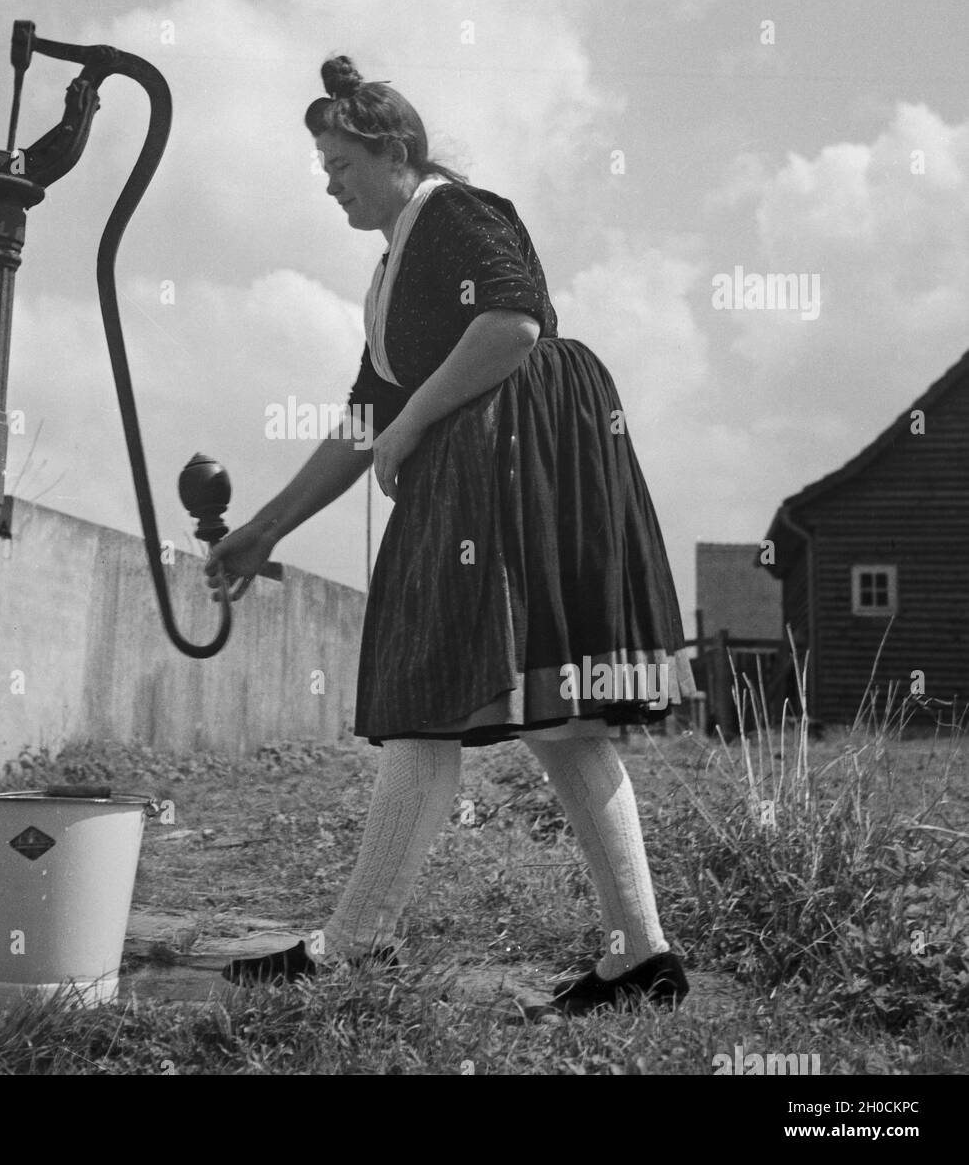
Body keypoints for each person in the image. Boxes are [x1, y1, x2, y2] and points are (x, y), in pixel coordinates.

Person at [205, 55, 695, 1015]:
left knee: (433, 688)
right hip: (487, 461)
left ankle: (352, 947)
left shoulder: (454, 214)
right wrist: (265, 530)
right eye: (324, 169)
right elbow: (363, 420)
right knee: (554, 718)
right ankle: (641, 956)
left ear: (394, 152)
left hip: (521, 451)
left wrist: (415, 420)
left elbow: (515, 322)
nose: (331, 185)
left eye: (340, 164)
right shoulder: (393, 268)